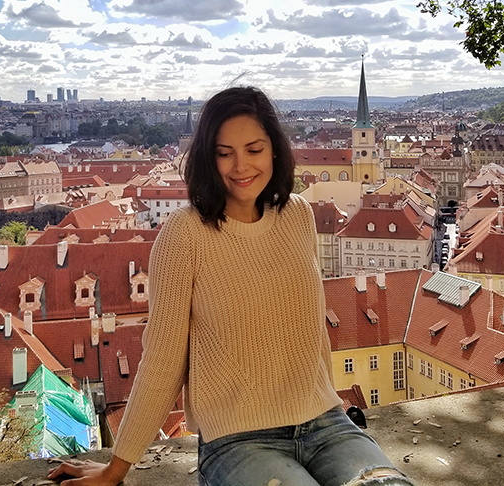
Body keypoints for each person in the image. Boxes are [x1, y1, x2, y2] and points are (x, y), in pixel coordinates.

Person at [50, 87, 413, 486]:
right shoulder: (185, 234)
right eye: (224, 153)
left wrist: (327, 398)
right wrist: (116, 468)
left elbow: (311, 331)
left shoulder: (298, 215)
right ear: (208, 158)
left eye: (254, 149)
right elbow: (163, 359)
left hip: (325, 422)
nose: (240, 166)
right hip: (238, 439)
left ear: (274, 150)